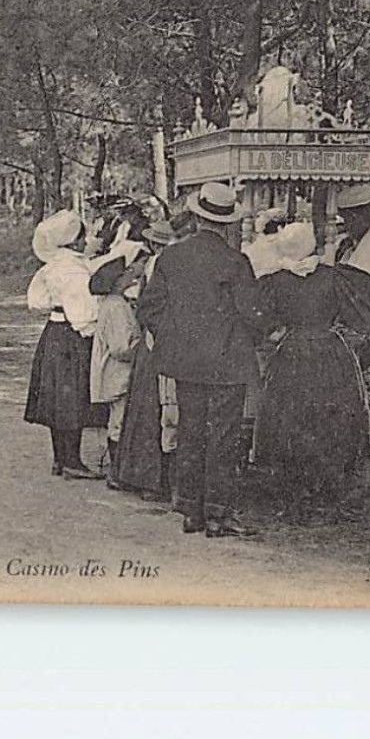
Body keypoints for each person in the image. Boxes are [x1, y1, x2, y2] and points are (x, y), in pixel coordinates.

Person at [137, 182, 269, 537]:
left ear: (196, 217)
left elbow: (149, 308)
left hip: (186, 361)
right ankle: (217, 514)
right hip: (227, 362)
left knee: (190, 432)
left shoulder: (171, 257)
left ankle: (190, 511)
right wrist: (250, 339)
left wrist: (176, 337)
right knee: (224, 437)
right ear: (227, 223)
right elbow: (254, 314)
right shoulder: (235, 261)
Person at [254, 222, 370, 518]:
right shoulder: (335, 277)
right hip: (331, 352)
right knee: (331, 418)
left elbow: (258, 319)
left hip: (293, 352)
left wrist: (274, 333)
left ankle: (295, 493)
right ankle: (329, 490)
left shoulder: (276, 282)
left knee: (292, 417)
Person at [24, 210, 103, 480]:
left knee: (58, 397)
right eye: (83, 236)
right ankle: (72, 459)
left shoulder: (52, 265)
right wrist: (91, 331)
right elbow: (81, 311)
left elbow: (36, 300)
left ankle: (60, 458)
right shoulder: (74, 271)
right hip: (72, 333)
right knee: (73, 397)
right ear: (73, 241)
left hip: (54, 330)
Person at [112, 219, 181, 500]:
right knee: (157, 409)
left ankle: (139, 476)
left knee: (145, 410)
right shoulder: (167, 265)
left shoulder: (155, 265)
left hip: (151, 342)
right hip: (159, 341)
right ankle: (154, 479)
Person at [89, 257, 142, 487]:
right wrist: (143, 347)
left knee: (117, 421)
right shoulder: (117, 307)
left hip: (114, 372)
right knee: (119, 422)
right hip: (118, 372)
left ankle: (118, 470)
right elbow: (121, 347)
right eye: (127, 272)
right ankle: (118, 473)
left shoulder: (114, 303)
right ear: (118, 281)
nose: (132, 275)